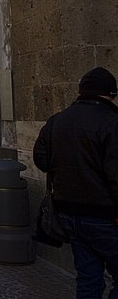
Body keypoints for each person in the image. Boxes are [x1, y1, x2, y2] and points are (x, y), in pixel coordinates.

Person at [33, 67, 118, 298]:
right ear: (109, 94)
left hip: (68, 213)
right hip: (105, 216)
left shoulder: (57, 121)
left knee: (88, 279)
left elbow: (41, 158)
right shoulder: (111, 122)